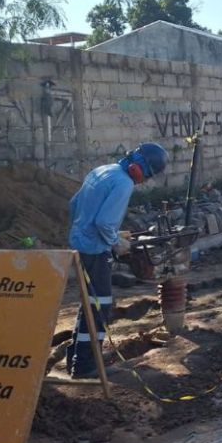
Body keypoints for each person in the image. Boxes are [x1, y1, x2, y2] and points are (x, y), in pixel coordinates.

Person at [66, 142, 169, 379]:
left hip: (79, 245)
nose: (143, 181)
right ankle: (85, 366)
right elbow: (104, 223)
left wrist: (83, 231)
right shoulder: (123, 183)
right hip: (94, 250)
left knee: (90, 302)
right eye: (147, 176)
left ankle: (76, 357)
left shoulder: (103, 170)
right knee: (100, 305)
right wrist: (115, 241)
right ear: (142, 169)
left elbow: (74, 205)